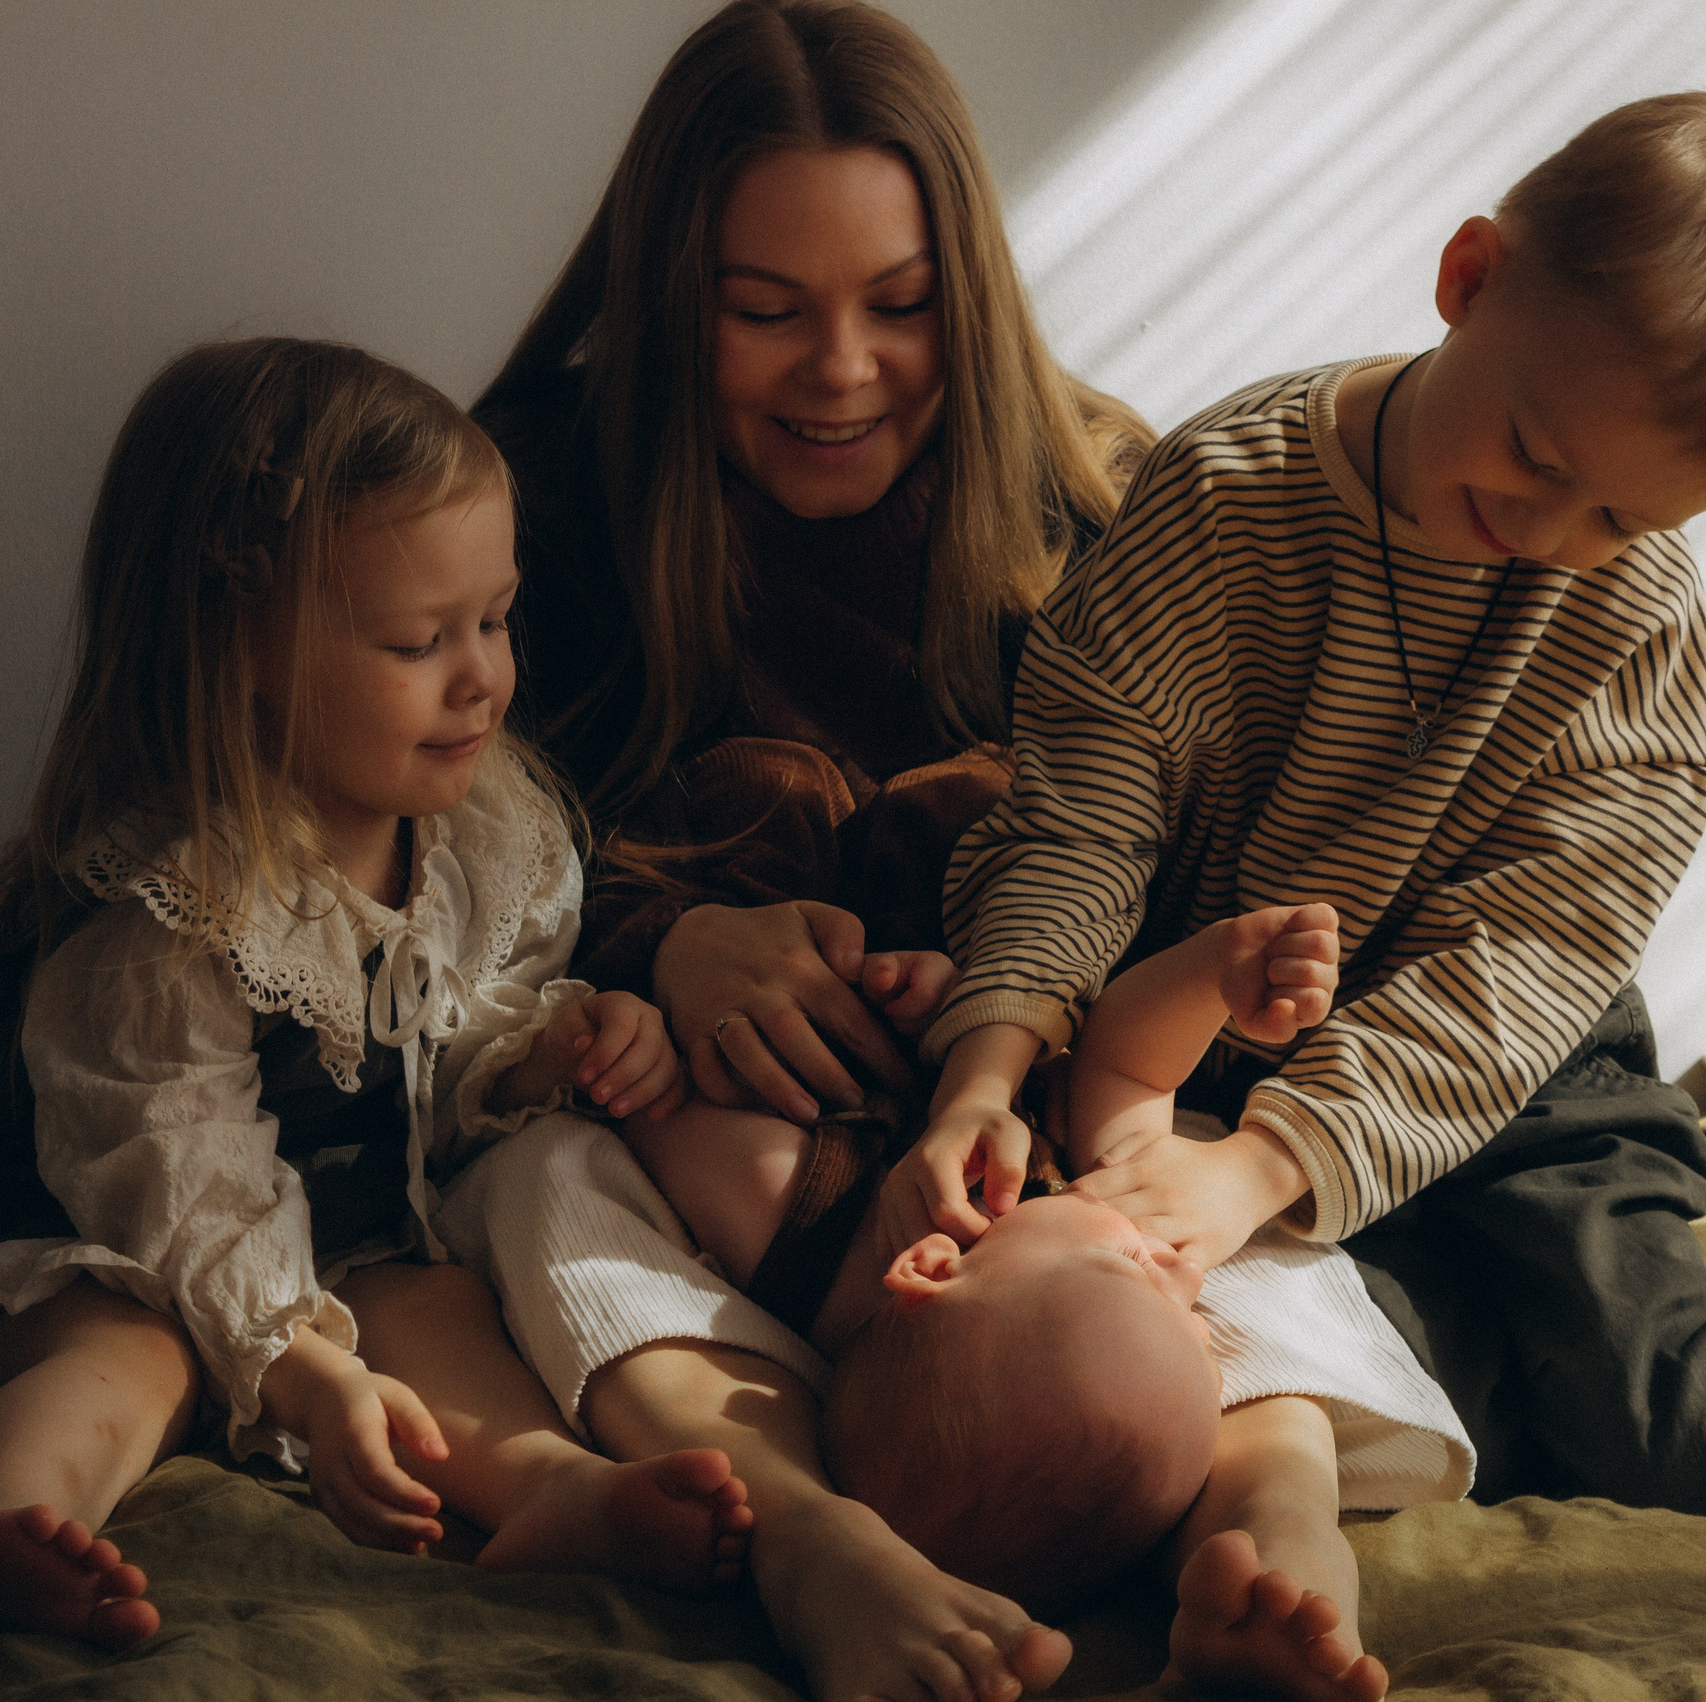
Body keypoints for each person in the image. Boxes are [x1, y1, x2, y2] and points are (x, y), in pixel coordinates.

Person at [912, 87, 1706, 1682]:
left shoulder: (1638, 640)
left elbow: (1522, 974)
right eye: (1537, 458)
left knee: (1699, 1438)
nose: (1550, 535)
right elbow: (1079, 810)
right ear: (1469, 275)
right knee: (1014, 1306)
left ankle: (1378, 1309)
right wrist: (988, 1059)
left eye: (1623, 516)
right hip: (1190, 992)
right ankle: (1318, 1352)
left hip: (1505, 1035)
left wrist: (1267, 1170)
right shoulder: (1224, 494)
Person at [0, 338, 752, 1649]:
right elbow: (176, 1165)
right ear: (241, 649)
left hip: (330, 1239)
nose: (481, 674)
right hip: (109, 1227)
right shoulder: (177, 906)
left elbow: (454, 1026)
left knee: (430, 1297)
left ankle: (558, 1489)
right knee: (125, 1346)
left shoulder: (479, 828)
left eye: (493, 619)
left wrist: (549, 1047)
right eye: (415, 639)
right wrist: (306, 1369)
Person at [453, 4, 1170, 1700]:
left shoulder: (1103, 492)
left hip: (1001, 1192)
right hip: (662, 1150)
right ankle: (798, 1530)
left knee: (1226, 1267)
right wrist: (650, 945)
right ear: (658, 301)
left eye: (903, 307)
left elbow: (1174, 860)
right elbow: (401, 859)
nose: (841, 371)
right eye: (763, 311)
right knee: (522, 1200)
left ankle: (1253, 1531)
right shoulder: (530, 490)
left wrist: (1008, 1016)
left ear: (971, 295)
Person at [614, 902, 1454, 1697]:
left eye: (1135, 1268)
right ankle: (1284, 1543)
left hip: (842, 1060)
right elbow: (1128, 1065)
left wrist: (639, 1056)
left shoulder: (808, 1228)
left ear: (935, 1268)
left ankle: (1264, 1543)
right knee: (1270, 1312)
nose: (1185, 1272)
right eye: (1192, 1324)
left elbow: (651, 1111)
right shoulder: (1099, 1203)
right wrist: (1211, 977)